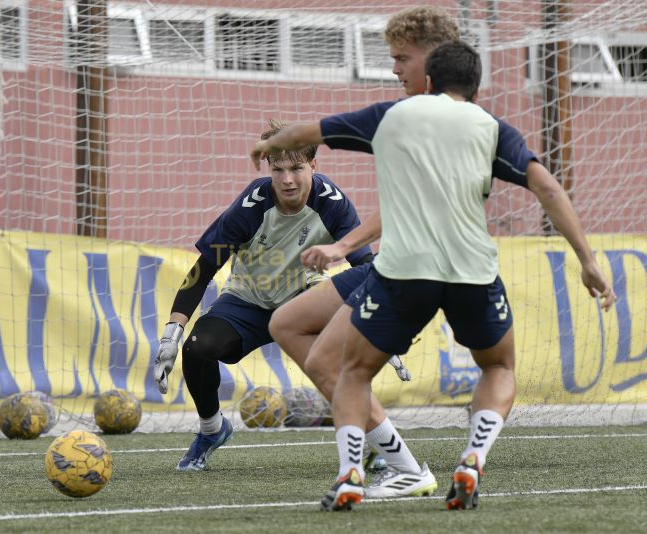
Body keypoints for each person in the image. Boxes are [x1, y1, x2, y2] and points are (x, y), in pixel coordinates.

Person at [250, 41, 615, 511]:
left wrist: (270, 143)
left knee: (353, 373)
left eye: (402, 59)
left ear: (427, 75)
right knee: (499, 367)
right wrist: (587, 259)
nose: (396, 67)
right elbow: (546, 186)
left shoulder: (395, 116)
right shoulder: (490, 128)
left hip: (405, 270)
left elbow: (314, 130)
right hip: (470, 269)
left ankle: (351, 474)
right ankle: (472, 460)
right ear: (476, 84)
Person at [268, 5, 460, 499]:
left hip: (418, 269)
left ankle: (391, 464)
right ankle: (385, 450)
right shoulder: (418, 114)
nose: (394, 68)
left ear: (433, 58)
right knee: (287, 324)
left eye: (402, 57)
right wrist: (344, 246)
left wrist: (344, 243)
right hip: (393, 262)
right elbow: (402, 200)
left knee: (331, 365)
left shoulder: (443, 119)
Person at [152, 119, 375, 472]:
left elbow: (364, 264)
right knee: (197, 348)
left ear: (313, 166)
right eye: (278, 169)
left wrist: (374, 319)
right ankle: (211, 431)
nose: (287, 179)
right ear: (269, 167)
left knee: (347, 358)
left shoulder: (332, 202)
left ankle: (374, 443)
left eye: (297, 168)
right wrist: (171, 333)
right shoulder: (251, 206)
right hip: (248, 300)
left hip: (306, 299)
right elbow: (204, 268)